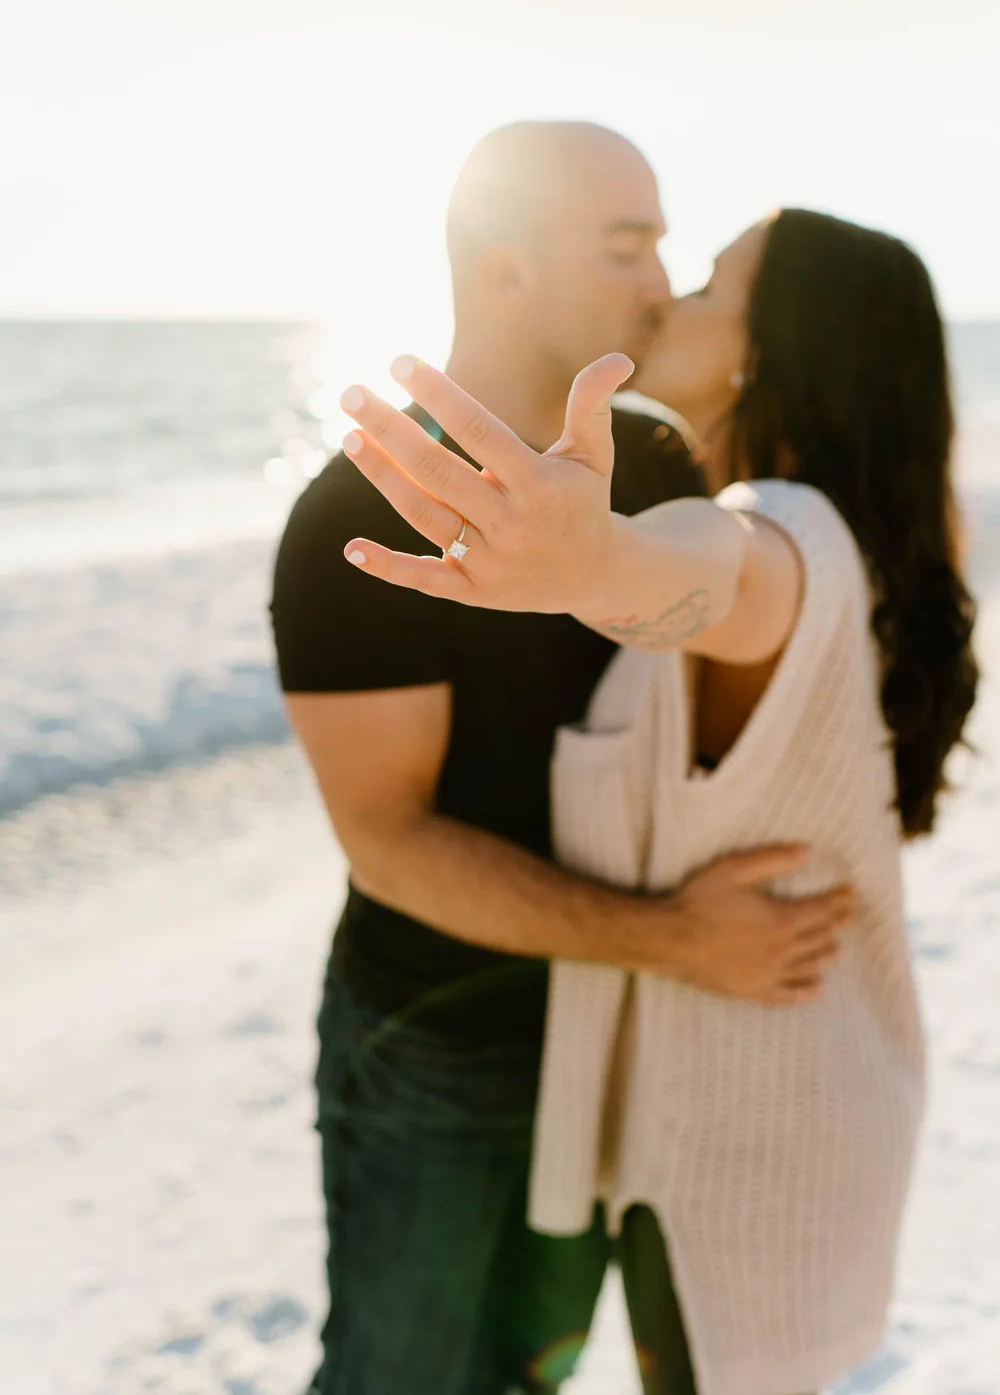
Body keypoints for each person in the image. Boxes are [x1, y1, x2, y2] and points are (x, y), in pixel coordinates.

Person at [336, 207, 979, 1395]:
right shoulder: (888, 540)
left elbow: (709, 575)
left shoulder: (787, 533)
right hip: (804, 1095)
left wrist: (592, 568)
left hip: (751, 1140)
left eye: (707, 289)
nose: (666, 296)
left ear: (768, 352)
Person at [270, 128, 855, 1395]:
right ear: (504, 272)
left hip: (628, 1033)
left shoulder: (651, 460)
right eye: (623, 245)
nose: (660, 279)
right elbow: (389, 839)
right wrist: (675, 938)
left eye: (664, 243)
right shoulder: (358, 517)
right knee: (402, 1376)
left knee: (537, 1372)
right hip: (442, 1041)